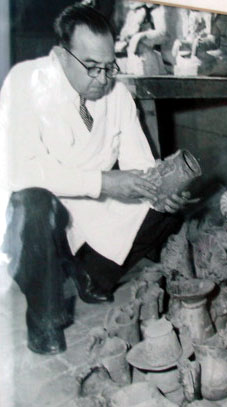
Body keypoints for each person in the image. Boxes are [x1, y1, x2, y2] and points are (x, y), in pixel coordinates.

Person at [0, 3, 192, 355]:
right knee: (34, 202)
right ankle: (44, 319)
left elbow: (139, 165)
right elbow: (19, 171)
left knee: (166, 214)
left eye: (108, 67)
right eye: (92, 67)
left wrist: (160, 190)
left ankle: (91, 275)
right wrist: (105, 182)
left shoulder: (116, 93)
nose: (103, 79)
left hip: (94, 207)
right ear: (60, 56)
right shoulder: (26, 82)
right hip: (42, 209)